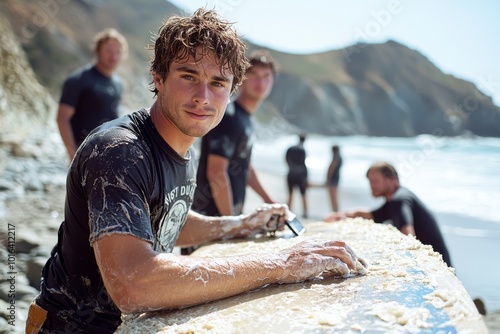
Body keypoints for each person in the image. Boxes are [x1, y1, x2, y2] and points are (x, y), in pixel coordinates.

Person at [26, 9, 364, 333]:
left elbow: (161, 219)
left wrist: (239, 225)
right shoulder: (120, 150)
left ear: (231, 92)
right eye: (189, 76)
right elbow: (134, 284)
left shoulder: (181, 145)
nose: (203, 97)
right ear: (158, 79)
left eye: (218, 83)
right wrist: (283, 263)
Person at [191, 50, 277, 217]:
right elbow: (216, 172)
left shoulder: (246, 119)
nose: (261, 81)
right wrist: (231, 223)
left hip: (226, 218)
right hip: (210, 220)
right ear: (242, 79)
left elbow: (243, 164)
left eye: (266, 76)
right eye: (254, 74)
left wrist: (269, 200)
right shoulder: (229, 116)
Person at [324, 161, 452, 267]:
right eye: (370, 182)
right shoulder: (395, 199)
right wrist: (341, 214)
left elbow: (408, 235)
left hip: (438, 266)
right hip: (437, 263)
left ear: (391, 180)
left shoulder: (399, 200)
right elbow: (371, 214)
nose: (372, 186)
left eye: (375, 181)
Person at [56, 28, 128, 161]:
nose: (113, 56)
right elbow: (62, 117)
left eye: (117, 52)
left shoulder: (118, 83)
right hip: (84, 155)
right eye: (108, 51)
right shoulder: (78, 79)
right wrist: (73, 154)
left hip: (110, 156)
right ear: (97, 51)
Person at [285, 133, 308, 218]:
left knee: (290, 194)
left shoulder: (290, 148)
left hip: (290, 173)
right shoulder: (302, 150)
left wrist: (291, 168)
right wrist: (306, 177)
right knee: (303, 194)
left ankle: (287, 211)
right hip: (300, 175)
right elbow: (303, 164)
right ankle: (305, 213)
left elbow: (286, 160)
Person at [326, 145, 342, 212]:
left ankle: (335, 211)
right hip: (336, 177)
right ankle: (335, 211)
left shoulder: (336, 157)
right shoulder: (339, 156)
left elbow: (332, 167)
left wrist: (328, 178)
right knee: (334, 196)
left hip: (333, 178)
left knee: (333, 196)